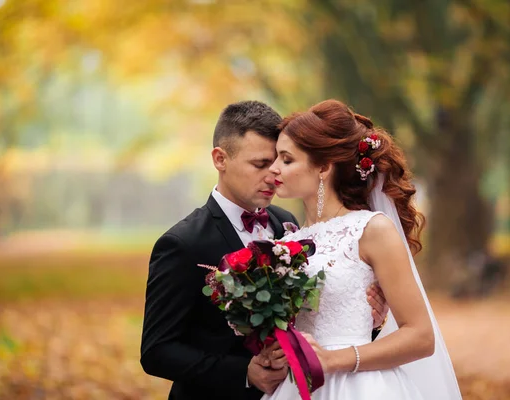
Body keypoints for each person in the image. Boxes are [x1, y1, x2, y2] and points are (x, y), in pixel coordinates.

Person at [140, 100, 389, 400]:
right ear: (220, 159)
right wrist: (244, 373)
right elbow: (157, 350)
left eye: (279, 162)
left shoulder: (288, 224)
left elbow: (317, 319)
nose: (273, 174)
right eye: (260, 164)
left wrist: (369, 319)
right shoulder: (183, 244)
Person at [264, 99, 462, 399]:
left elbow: (421, 336)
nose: (274, 168)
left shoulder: (371, 230)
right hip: (295, 386)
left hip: (358, 387)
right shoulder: (286, 243)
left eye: (287, 159)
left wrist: (332, 360)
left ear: (324, 167)